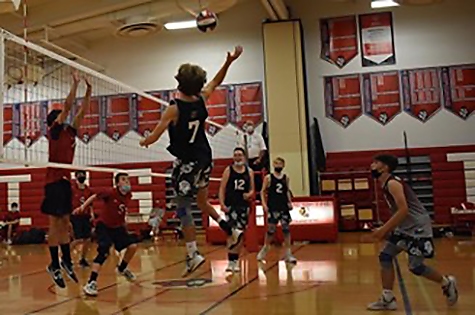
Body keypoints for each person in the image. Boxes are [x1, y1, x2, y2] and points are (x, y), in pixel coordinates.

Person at [139, 46, 244, 276]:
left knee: (183, 206)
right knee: (203, 201)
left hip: (188, 162)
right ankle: (231, 229)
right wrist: (228, 62)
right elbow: (216, 82)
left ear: (178, 84)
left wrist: (144, 142)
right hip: (205, 158)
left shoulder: (174, 109)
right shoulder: (201, 99)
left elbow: (155, 135)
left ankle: (193, 253)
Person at [364, 154, 458, 311]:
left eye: (376, 162)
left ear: (385, 167)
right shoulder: (384, 183)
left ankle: (447, 283)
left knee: (415, 267)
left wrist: (383, 230)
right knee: (385, 256)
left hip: (417, 228)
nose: (371, 165)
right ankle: (388, 299)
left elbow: (403, 210)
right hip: (405, 227)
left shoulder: (393, 183)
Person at [41, 72, 91, 288]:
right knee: (55, 225)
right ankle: (54, 264)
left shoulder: (71, 132)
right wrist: (75, 84)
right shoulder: (54, 131)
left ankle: (67, 262)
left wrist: (89, 91)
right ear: (54, 121)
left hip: (64, 182)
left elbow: (81, 111)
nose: (66, 118)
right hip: (53, 182)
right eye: (61, 116)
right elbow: (69, 106)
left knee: (63, 224)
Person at [78, 173, 138, 297]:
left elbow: (120, 211)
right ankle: (91, 283)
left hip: (117, 227)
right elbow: (94, 196)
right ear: (117, 183)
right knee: (103, 252)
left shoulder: (128, 195)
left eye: (128, 180)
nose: (127, 182)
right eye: (123, 180)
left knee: (132, 246)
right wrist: (83, 206)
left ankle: (122, 268)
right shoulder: (110, 192)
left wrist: (124, 225)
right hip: (103, 226)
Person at [219, 147, 255, 273]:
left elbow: (252, 189)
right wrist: (222, 203)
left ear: (244, 157)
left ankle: (237, 260)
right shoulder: (228, 170)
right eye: (235, 155)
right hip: (231, 206)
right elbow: (222, 188)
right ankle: (230, 261)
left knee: (240, 234)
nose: (237, 157)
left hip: (243, 206)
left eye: (240, 155)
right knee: (231, 233)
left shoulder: (249, 171)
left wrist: (249, 194)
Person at [257, 157, 296, 263]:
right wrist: (264, 204)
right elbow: (262, 191)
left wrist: (289, 202)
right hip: (273, 207)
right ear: (273, 165)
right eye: (276, 163)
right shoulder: (268, 178)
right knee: (271, 230)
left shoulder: (285, 178)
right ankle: (265, 248)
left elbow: (287, 190)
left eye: (280, 163)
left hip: (283, 207)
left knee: (286, 229)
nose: (278, 165)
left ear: (283, 165)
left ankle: (288, 252)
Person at [236, 120, 267, 197]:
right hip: (247, 160)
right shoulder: (243, 136)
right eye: (248, 124)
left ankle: (259, 195)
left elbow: (263, 149)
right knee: (246, 177)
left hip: (256, 160)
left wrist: (259, 159)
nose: (249, 126)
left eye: (251, 124)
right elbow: (240, 148)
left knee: (257, 178)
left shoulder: (258, 136)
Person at [70, 170, 94, 268]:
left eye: (83, 175)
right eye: (79, 175)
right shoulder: (72, 189)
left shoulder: (88, 190)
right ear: (76, 177)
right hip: (76, 216)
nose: (81, 177)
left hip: (86, 216)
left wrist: (92, 214)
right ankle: (64, 257)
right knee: (78, 239)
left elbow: (90, 204)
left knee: (87, 239)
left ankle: (83, 259)